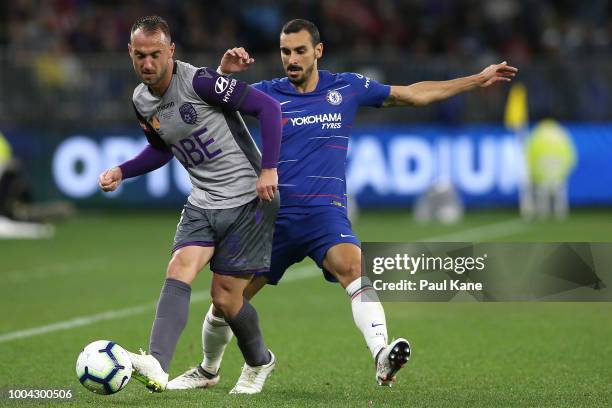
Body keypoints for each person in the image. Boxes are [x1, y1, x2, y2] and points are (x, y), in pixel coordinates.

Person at [168, 19, 518, 389]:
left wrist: (476, 80)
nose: (292, 58)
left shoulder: (347, 87)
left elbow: (413, 93)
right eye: (286, 51)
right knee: (226, 302)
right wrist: (223, 73)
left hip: (324, 215)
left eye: (300, 50)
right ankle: (208, 370)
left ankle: (382, 355)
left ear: (318, 51)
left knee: (354, 268)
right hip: (272, 217)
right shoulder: (267, 93)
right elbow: (208, 106)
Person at [98, 16, 282, 394]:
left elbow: (269, 110)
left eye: (154, 55)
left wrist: (268, 170)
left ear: (171, 51)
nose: (147, 64)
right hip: (202, 200)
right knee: (179, 267)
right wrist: (123, 170)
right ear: (129, 54)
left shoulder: (200, 81)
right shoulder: (140, 100)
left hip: (249, 198)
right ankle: (157, 363)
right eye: (139, 56)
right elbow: (161, 149)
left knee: (225, 299)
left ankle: (260, 362)